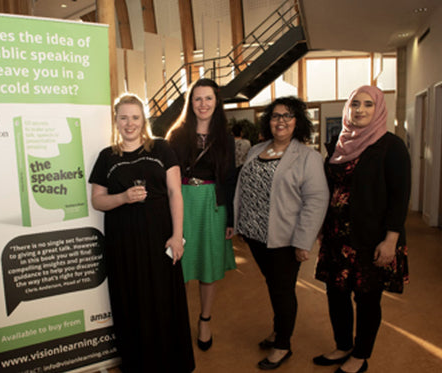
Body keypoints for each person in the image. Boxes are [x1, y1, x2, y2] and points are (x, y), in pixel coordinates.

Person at [89, 94, 194, 373]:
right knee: (130, 300)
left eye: (135, 117)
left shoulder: (161, 148)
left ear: (143, 120)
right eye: (123, 117)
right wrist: (123, 197)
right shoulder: (107, 157)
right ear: (116, 120)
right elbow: (97, 200)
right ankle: (138, 364)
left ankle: (171, 362)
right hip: (122, 242)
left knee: (163, 298)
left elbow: (175, 193)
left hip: (160, 238)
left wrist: (177, 235)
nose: (129, 123)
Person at [313, 86, 410, 373]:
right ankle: (342, 346)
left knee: (367, 299)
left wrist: (391, 239)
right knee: (336, 294)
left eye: (369, 104)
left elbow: (400, 196)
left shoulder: (391, 146)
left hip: (372, 238)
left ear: (378, 109)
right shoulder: (338, 144)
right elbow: (328, 189)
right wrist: (320, 229)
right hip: (335, 236)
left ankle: (360, 354)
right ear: (347, 108)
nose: (361, 110)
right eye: (355, 104)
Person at [233, 96, 329, 370]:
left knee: (283, 290)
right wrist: (241, 222)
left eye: (288, 115)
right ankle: (278, 331)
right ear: (268, 121)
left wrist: (303, 241)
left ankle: (283, 345)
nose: (281, 121)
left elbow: (316, 201)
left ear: (298, 121)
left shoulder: (307, 157)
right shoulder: (256, 150)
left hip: (285, 238)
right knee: (274, 286)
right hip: (255, 235)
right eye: (275, 116)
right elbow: (245, 188)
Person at [166, 78, 237, 351]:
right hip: (181, 201)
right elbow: (166, 179)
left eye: (208, 98)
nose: (203, 104)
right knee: (178, 265)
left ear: (216, 102)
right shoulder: (177, 135)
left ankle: (204, 319)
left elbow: (229, 179)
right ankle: (177, 320)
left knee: (208, 266)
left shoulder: (225, 138)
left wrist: (229, 219)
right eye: (197, 99)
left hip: (213, 205)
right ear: (190, 103)